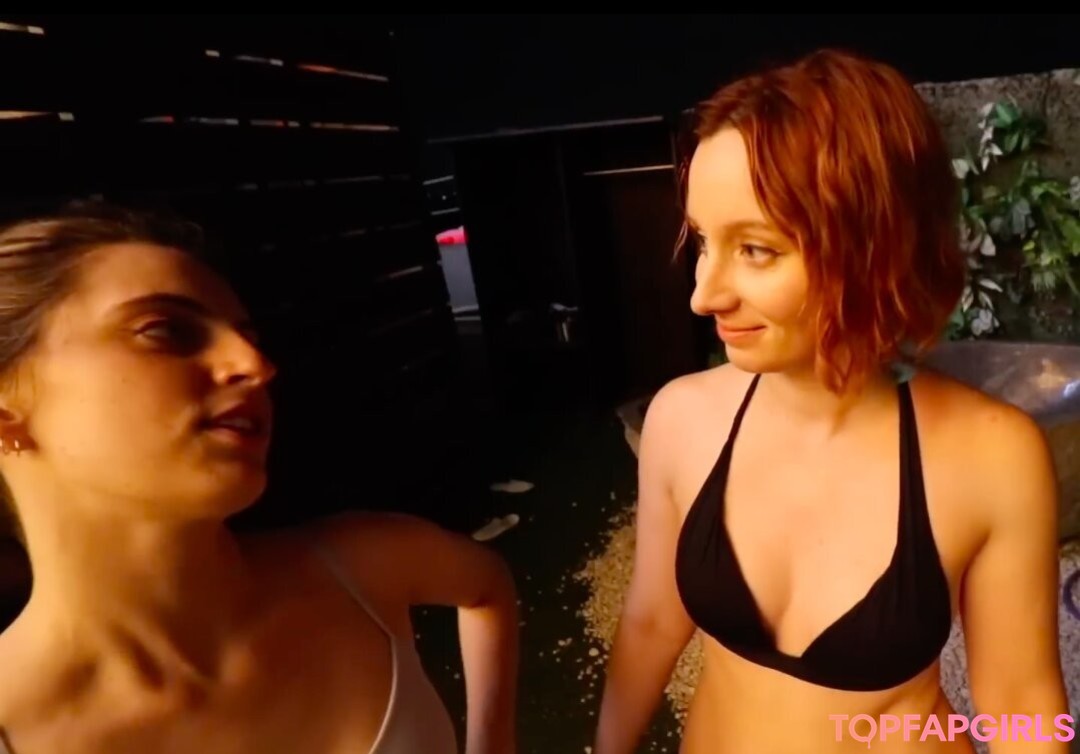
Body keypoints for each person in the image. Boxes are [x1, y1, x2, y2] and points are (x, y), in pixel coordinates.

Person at [594, 48, 1069, 753]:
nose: (703, 295)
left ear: (874, 246)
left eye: (755, 250)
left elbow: (1020, 704)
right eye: (703, 242)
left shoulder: (990, 456)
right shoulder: (682, 422)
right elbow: (653, 622)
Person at [0, 203, 519, 754]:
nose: (256, 364)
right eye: (165, 330)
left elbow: (485, 584)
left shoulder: (365, 567)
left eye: (248, 335)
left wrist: (492, 741)